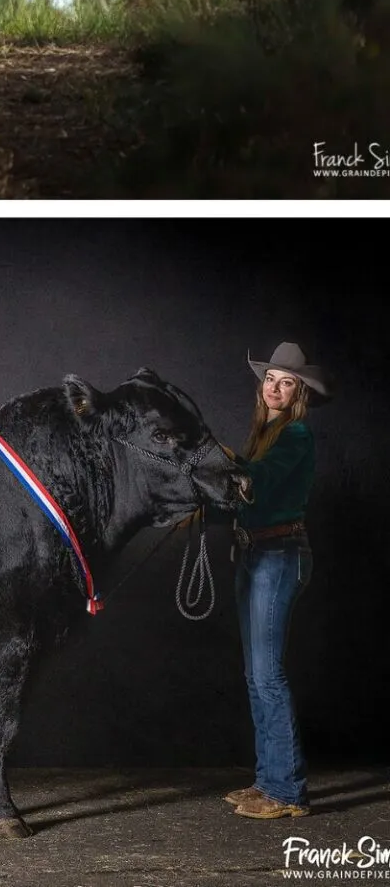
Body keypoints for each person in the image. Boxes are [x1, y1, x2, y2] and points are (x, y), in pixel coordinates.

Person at [222, 342, 321, 821]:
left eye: (286, 381)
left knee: (268, 675)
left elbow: (259, 479)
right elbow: (248, 494)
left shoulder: (295, 435)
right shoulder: (263, 433)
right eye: (270, 379)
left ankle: (286, 792)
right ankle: (268, 780)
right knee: (256, 674)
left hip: (279, 556)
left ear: (298, 391)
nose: (275, 387)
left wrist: (220, 463)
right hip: (257, 552)